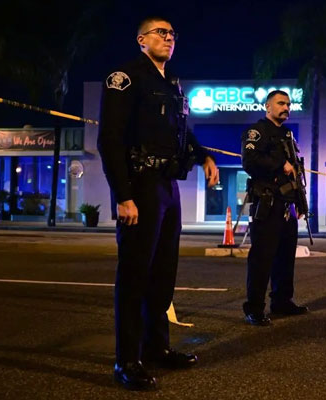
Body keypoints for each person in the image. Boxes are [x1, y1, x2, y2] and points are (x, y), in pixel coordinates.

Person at [97, 16, 219, 391]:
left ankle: (157, 348)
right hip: (141, 186)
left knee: (163, 274)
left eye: (172, 34)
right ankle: (127, 360)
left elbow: (182, 131)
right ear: (141, 40)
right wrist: (123, 196)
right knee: (134, 275)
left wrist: (204, 156)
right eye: (160, 33)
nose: (168, 39)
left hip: (168, 187)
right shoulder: (126, 78)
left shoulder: (171, 85)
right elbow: (110, 140)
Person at [241, 90, 309, 326]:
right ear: (268, 107)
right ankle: (254, 308)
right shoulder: (257, 132)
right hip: (267, 203)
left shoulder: (287, 134)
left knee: (285, 257)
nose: (286, 107)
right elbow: (249, 162)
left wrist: (300, 202)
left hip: (287, 205)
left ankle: (282, 301)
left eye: (288, 104)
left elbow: (296, 172)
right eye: (281, 103)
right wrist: (281, 164)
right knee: (262, 258)